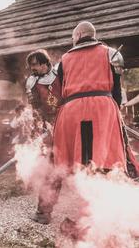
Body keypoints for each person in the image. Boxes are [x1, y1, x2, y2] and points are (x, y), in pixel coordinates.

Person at [40, 21, 129, 229]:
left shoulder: (62, 60)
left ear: (78, 35)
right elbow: (117, 92)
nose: (73, 40)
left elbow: (56, 94)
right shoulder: (112, 54)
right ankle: (103, 212)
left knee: (59, 161)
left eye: (73, 37)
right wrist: (115, 111)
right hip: (103, 109)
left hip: (71, 112)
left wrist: (54, 115)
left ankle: (44, 212)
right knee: (106, 160)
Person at [24, 49, 62, 223]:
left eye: (35, 64)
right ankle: (43, 212)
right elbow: (36, 110)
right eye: (30, 65)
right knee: (51, 171)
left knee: (84, 167)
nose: (32, 68)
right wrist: (41, 128)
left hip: (70, 123)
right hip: (49, 128)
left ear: (45, 63)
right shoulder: (31, 82)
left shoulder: (62, 73)